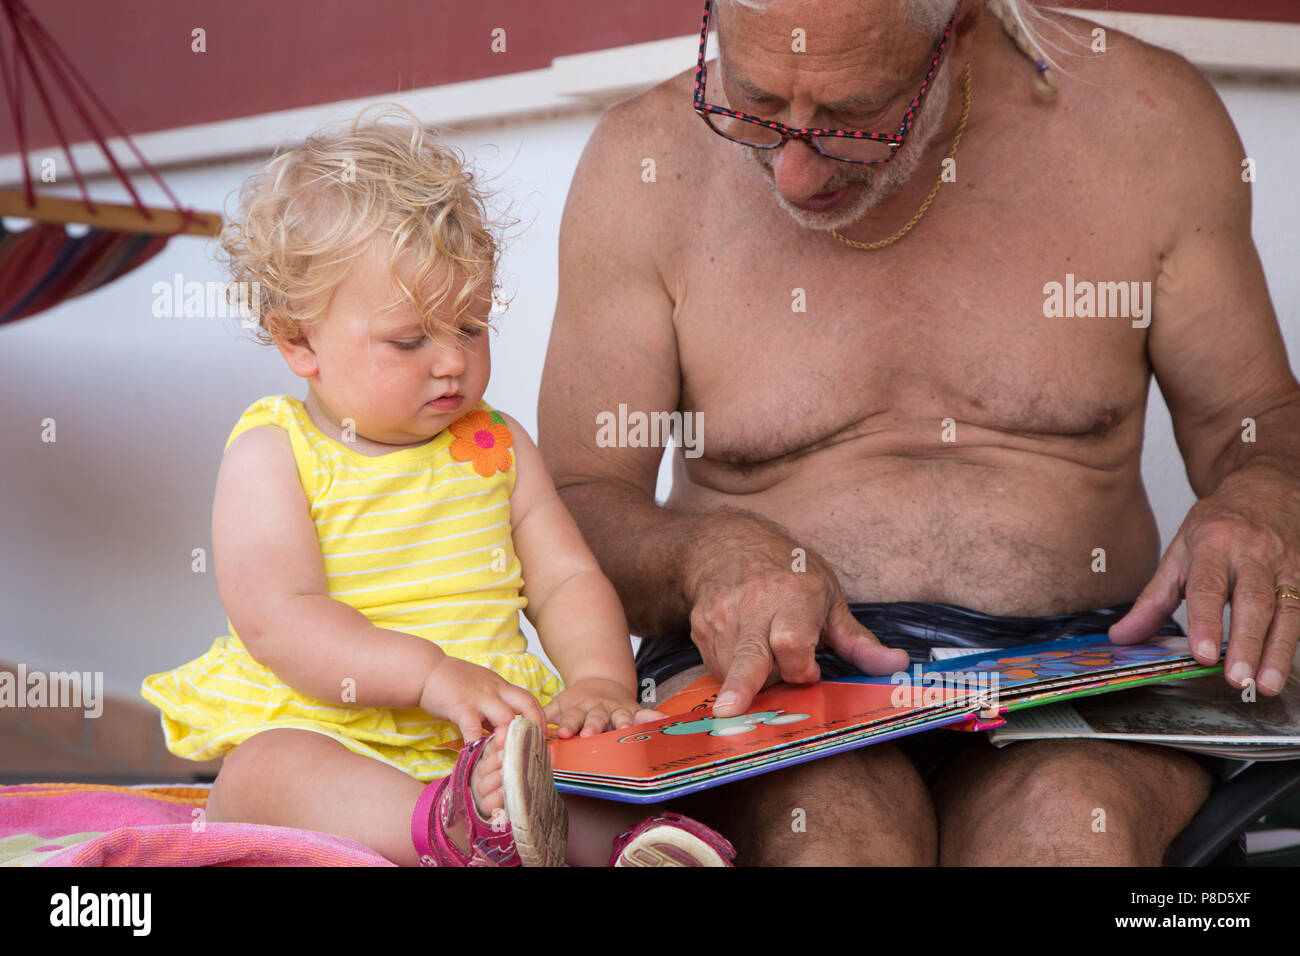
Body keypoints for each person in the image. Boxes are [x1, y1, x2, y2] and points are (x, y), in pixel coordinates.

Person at [539, 0, 1300, 865]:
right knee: (829, 832)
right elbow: (573, 503)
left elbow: (1260, 421)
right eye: (751, 100)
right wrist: (702, 558)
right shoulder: (640, 164)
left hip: (1082, 671)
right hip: (762, 683)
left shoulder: (1145, 124)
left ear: (958, 29)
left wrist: (1266, 494)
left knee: (1062, 829)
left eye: (853, 113)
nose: (792, 172)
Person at [140, 104, 735, 867]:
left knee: (575, 770)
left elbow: (564, 578)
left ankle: (627, 849)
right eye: (410, 340)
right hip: (334, 727)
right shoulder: (275, 451)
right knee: (263, 774)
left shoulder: (496, 445)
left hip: (488, 739)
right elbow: (280, 617)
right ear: (299, 341)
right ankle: (442, 828)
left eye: (471, 326)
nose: (452, 361)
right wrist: (427, 676)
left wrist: (596, 680)